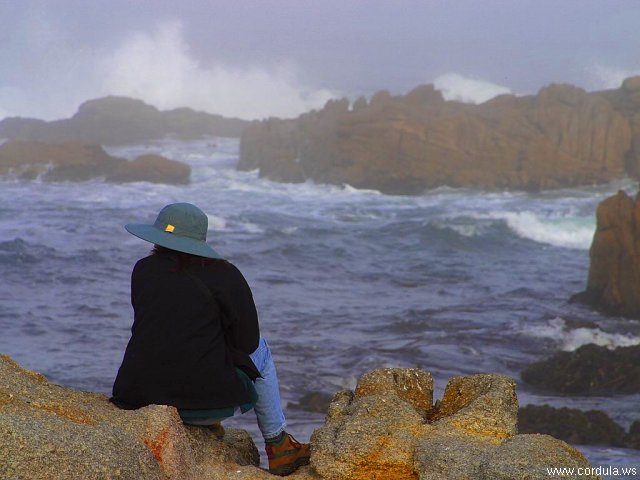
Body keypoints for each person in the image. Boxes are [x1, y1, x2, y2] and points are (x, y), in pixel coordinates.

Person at [111, 202, 310, 476]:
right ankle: (279, 445)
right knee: (261, 350)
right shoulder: (226, 275)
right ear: (199, 240)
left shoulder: (142, 270)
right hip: (203, 406)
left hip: (138, 397)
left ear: (158, 237)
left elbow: (161, 324)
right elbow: (247, 342)